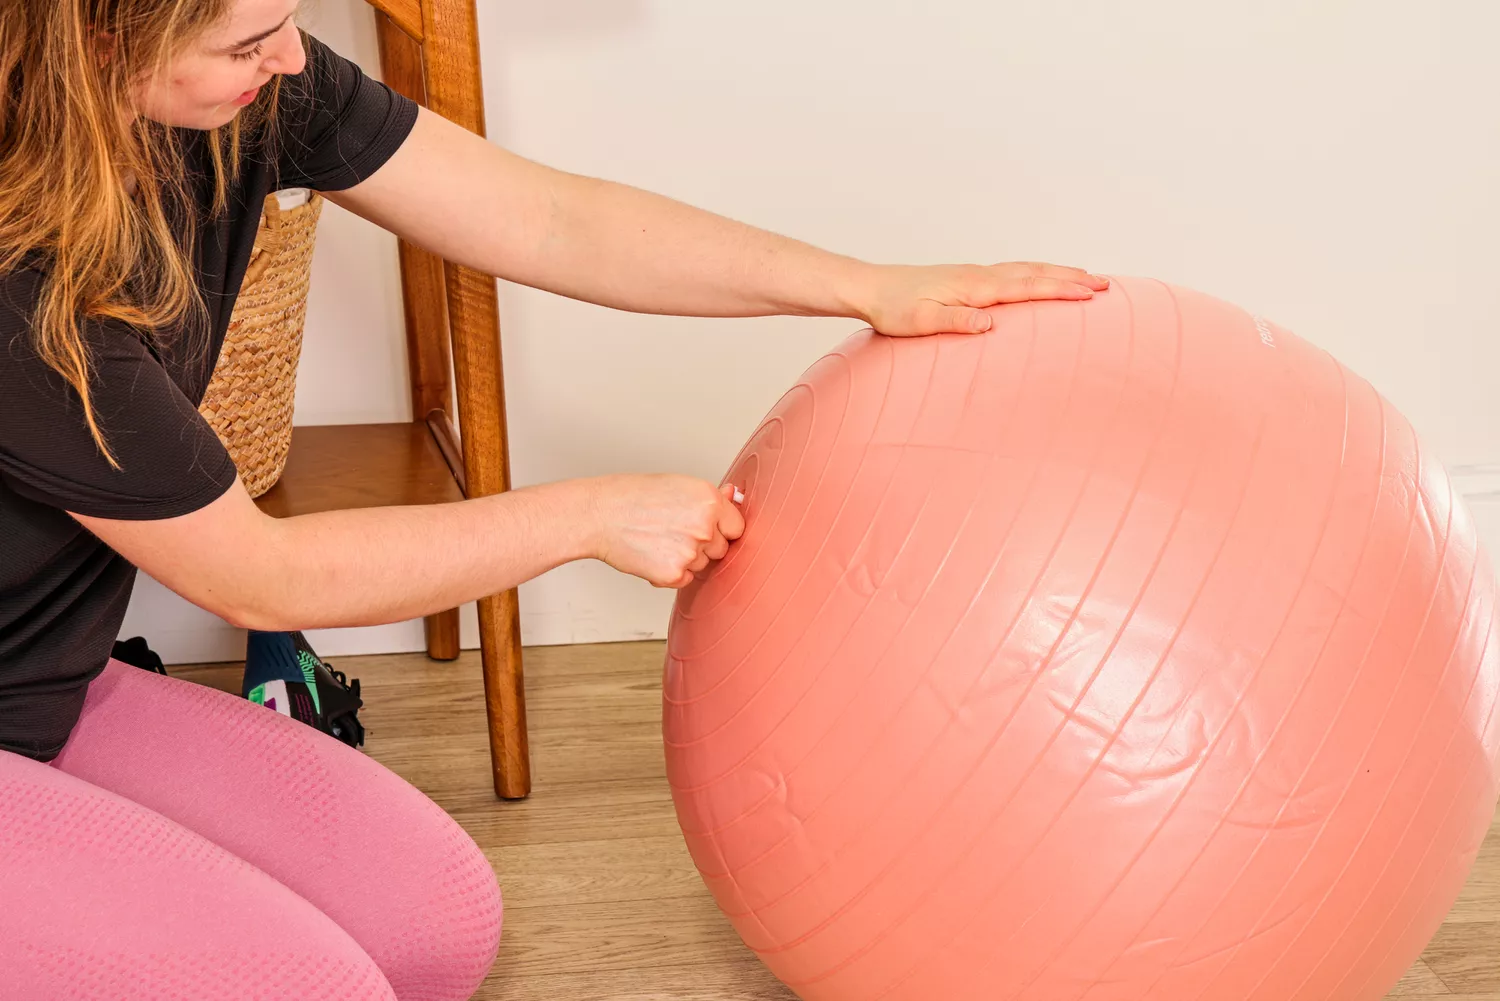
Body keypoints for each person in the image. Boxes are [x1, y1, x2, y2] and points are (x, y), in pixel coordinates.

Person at [0, 0, 1109, 997]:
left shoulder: (244, 96)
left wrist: (864, 285)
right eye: (247, 41)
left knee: (434, 930)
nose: (290, 55)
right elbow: (256, 574)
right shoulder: (18, 278)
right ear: (99, 38)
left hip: (38, 688)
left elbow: (545, 220)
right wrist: (583, 519)